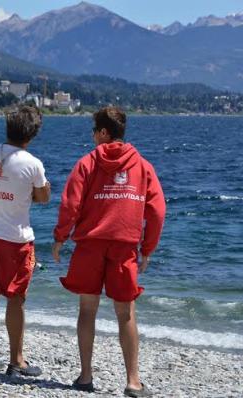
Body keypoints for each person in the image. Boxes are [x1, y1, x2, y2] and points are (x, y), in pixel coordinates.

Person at [51, 107, 166, 397]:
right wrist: (147, 247)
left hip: (89, 245)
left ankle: (86, 376)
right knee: (125, 313)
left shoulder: (87, 163)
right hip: (124, 246)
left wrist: (60, 237)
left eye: (94, 131)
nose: (92, 136)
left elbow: (70, 205)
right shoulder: (143, 166)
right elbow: (157, 211)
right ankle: (133, 381)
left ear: (103, 132)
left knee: (87, 309)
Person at [0, 105, 51, 377]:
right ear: (31, 135)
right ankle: (16, 360)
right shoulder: (32, 164)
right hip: (16, 239)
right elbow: (43, 198)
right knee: (16, 299)